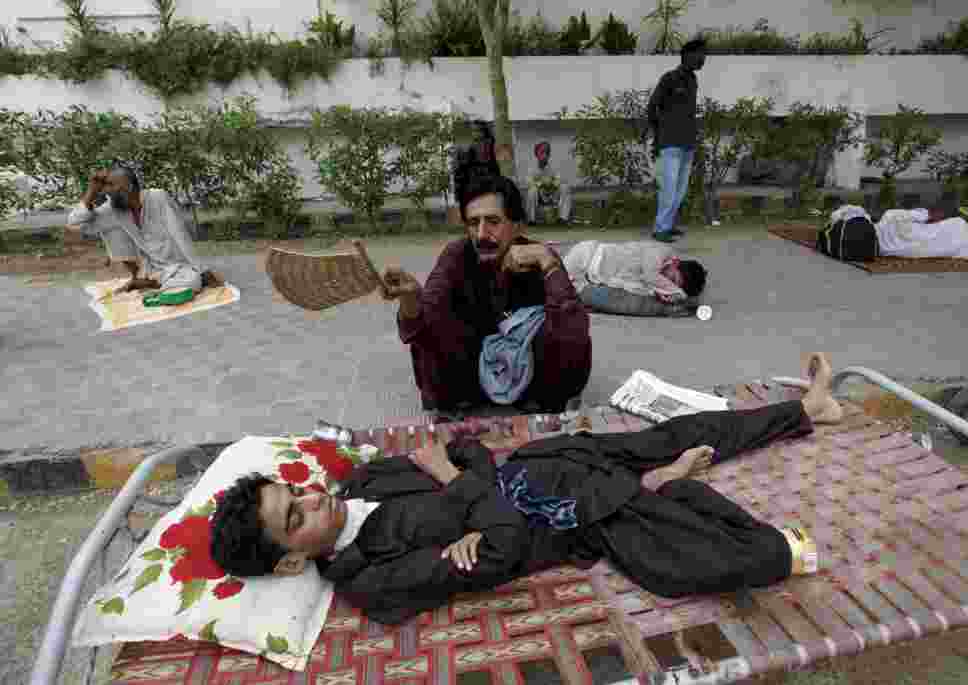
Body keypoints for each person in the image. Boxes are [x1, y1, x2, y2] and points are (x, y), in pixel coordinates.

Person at [210, 353, 844, 627]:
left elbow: (465, 450)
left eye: (298, 491)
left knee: (672, 431)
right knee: (689, 566)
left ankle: (806, 411)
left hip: (545, 462)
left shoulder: (359, 479)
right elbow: (507, 546)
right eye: (296, 517)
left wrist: (464, 486)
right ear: (293, 558)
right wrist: (459, 483)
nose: (316, 498)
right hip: (569, 518)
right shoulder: (370, 580)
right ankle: (667, 492)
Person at [377, 171, 592, 419]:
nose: (481, 234)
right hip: (471, 380)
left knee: (567, 325)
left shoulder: (541, 257)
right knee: (430, 329)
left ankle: (554, 406)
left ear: (517, 226)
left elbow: (575, 330)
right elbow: (424, 318)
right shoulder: (456, 256)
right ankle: (445, 410)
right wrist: (411, 298)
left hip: (530, 378)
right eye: (473, 223)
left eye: (493, 221)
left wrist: (547, 261)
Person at [66, 164, 223, 296]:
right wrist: (91, 191)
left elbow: (180, 235)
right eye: (105, 186)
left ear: (129, 186)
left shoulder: (157, 197)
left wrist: (203, 270)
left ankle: (150, 284)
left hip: (179, 264)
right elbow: (76, 223)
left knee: (191, 281)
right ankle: (146, 281)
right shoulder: (115, 209)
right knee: (108, 228)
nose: (106, 191)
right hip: (152, 269)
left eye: (111, 185)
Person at [647, 37, 707, 244]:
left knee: (680, 191)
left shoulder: (693, 80)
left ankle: (669, 225)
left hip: (688, 143)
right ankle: (660, 229)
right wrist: (659, 134)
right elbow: (652, 107)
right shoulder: (669, 79)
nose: (703, 59)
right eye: (700, 54)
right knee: (669, 188)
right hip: (670, 143)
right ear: (688, 55)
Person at [835, 194, 968, 260]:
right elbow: (931, 216)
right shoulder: (892, 216)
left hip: (934, 247)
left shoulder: (881, 247)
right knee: (959, 227)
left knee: (957, 235)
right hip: (948, 237)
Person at [564, 240, 708, 317]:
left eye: (674, 284)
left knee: (567, 300)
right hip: (584, 256)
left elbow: (636, 298)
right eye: (674, 279)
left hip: (588, 279)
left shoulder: (659, 286)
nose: (668, 283)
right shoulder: (662, 251)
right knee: (552, 291)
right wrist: (678, 293)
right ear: (675, 263)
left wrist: (680, 302)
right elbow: (650, 274)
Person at [525, 142, 573, 225]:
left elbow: (559, 180)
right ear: (536, 154)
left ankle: (563, 218)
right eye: (542, 152)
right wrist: (541, 184)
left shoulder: (554, 166)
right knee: (532, 191)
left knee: (565, 187)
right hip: (539, 195)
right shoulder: (531, 168)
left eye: (547, 153)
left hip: (552, 193)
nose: (544, 155)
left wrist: (552, 184)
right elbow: (529, 182)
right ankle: (531, 220)